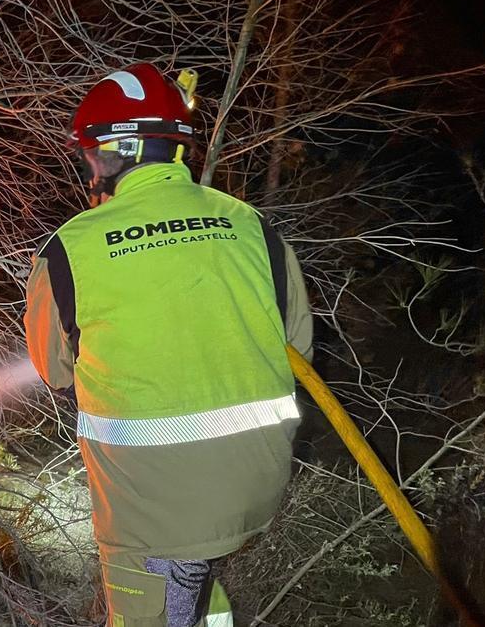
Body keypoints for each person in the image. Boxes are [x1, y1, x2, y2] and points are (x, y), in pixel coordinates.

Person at [24, 63, 313, 627]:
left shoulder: (70, 249)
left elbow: (54, 371)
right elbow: (296, 342)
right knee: (195, 586)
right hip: (258, 486)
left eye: (90, 154)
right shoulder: (252, 225)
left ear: (114, 152)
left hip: (151, 510)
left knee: (145, 611)